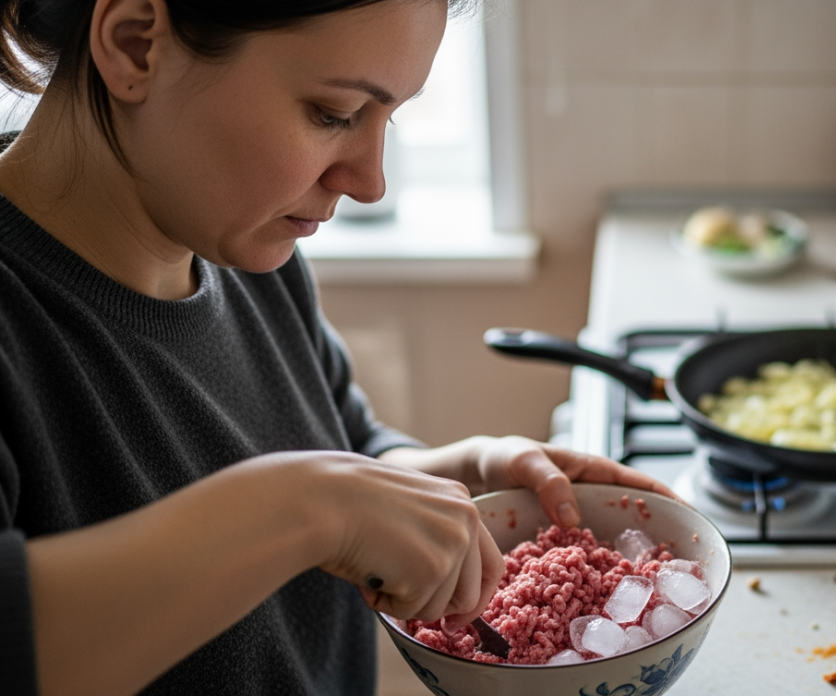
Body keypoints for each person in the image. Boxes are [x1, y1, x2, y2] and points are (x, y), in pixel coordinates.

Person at [0, 1, 674, 695]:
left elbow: (341, 445)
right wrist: (312, 508)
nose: (369, 182)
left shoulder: (244, 245)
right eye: (334, 114)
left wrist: (454, 474)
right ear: (135, 43)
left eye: (390, 119)